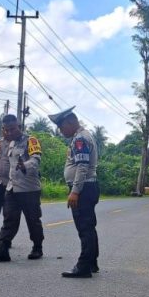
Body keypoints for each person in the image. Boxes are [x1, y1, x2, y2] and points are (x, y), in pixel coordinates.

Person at [0, 114, 44, 262]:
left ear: (19, 127)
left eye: (12, 129)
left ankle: (37, 247)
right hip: (12, 189)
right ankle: (3, 249)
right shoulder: (10, 144)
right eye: (6, 130)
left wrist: (25, 165)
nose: (9, 133)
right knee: (9, 219)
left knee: (33, 220)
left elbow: (36, 160)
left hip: (29, 189)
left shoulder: (31, 140)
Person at [48, 107, 99, 278]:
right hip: (88, 187)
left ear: (70, 122)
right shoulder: (83, 136)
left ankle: (83, 266)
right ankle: (92, 263)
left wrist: (75, 191)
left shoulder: (80, 139)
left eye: (61, 127)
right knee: (89, 227)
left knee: (84, 228)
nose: (60, 131)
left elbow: (82, 166)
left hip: (83, 189)